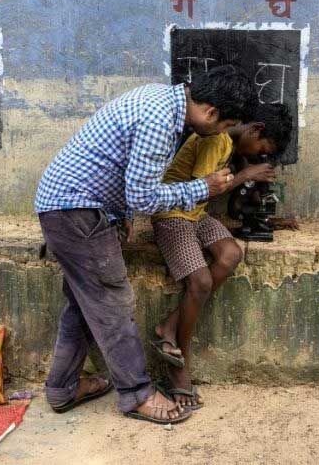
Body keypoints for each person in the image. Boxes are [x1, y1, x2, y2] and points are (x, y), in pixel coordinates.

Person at [34, 65, 255, 424]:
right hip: (76, 212)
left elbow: (125, 180)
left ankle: (62, 388)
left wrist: (118, 219)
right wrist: (204, 188)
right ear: (211, 112)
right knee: (112, 302)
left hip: (73, 209)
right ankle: (137, 394)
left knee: (83, 305)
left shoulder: (161, 100)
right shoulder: (160, 123)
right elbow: (142, 197)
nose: (222, 133)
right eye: (224, 125)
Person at [151, 104, 292, 410]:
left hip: (195, 215)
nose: (259, 155)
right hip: (174, 214)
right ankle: (180, 366)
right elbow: (204, 190)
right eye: (262, 148)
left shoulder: (229, 142)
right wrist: (245, 174)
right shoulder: (216, 139)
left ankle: (169, 326)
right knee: (200, 282)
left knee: (230, 253)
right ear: (255, 130)